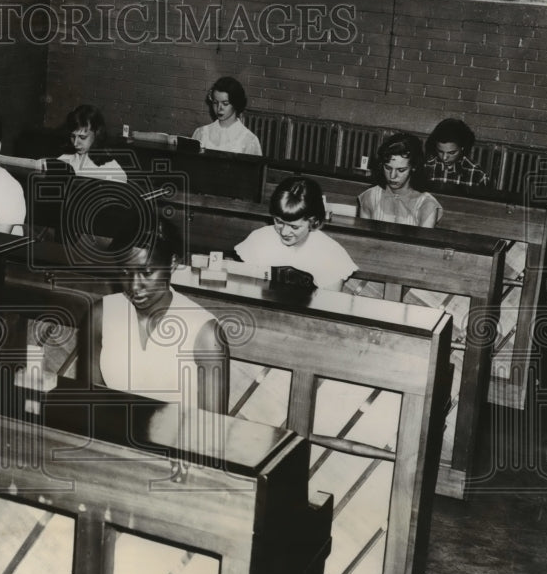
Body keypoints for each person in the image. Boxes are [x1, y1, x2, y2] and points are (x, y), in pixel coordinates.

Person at [85, 218, 229, 414]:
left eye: (147, 272)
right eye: (126, 272)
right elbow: (89, 403)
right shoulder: (101, 315)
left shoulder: (205, 333)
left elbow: (213, 430)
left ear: (173, 263)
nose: (134, 286)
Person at [234, 177, 358, 292]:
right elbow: (244, 290)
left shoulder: (330, 253)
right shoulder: (260, 239)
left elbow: (329, 306)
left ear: (313, 222)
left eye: (294, 227)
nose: (284, 232)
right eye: (278, 221)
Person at [358, 133, 443, 228]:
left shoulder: (427, 205)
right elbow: (363, 240)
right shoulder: (370, 197)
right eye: (388, 168)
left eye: (401, 170)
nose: (392, 176)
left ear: (414, 167)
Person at [191, 76, 263, 156]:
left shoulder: (249, 140)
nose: (219, 108)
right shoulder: (201, 133)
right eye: (215, 103)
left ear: (236, 103)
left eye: (225, 103)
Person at [57, 104, 127, 182]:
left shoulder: (110, 169)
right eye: (73, 136)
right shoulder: (63, 160)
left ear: (97, 134)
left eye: (82, 137)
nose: (75, 143)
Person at [424, 118, 489, 188]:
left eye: (451, 153)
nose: (444, 157)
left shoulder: (478, 174)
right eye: (440, 151)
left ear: (462, 148)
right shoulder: (425, 167)